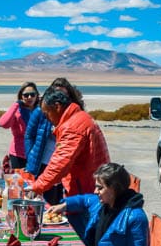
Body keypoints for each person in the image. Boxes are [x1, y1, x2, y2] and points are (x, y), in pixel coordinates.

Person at [30, 85, 110, 236]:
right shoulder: (77, 119)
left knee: (84, 237)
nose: (47, 118)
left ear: (57, 107)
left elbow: (60, 162)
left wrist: (37, 187)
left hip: (85, 190)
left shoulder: (73, 126)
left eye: (47, 113)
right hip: (85, 186)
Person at [46, 162, 150, 246]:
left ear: (114, 189)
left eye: (100, 188)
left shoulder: (136, 218)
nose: (95, 192)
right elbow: (85, 200)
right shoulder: (102, 202)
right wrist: (64, 205)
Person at [25, 78, 83, 205]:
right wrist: (31, 156)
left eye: (63, 95)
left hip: (65, 164)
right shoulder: (42, 111)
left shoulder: (73, 120)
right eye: (56, 94)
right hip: (45, 161)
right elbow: (29, 135)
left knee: (60, 199)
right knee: (45, 199)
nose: (59, 98)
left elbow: (66, 155)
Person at [0, 81, 39, 170]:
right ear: (21, 97)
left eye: (32, 94)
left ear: (37, 95)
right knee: (19, 181)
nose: (29, 97)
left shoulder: (41, 111)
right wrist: (16, 104)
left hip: (37, 154)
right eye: (26, 95)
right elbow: (4, 123)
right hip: (18, 155)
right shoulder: (17, 112)